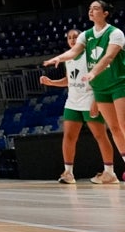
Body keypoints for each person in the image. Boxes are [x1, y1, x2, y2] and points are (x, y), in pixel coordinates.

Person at [44, 0, 125, 184]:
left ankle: (109, 170)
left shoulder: (116, 33)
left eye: (95, 8)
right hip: (99, 88)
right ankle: (77, 172)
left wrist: (94, 72)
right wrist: (58, 58)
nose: (91, 11)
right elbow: (73, 53)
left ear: (105, 13)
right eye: (89, 8)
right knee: (113, 128)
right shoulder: (86, 35)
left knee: (121, 126)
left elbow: (109, 56)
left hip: (118, 83)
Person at [39, 28, 115, 184]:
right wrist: (52, 82)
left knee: (100, 136)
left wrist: (96, 101)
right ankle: (68, 173)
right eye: (69, 37)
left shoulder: (91, 56)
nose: (73, 40)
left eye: (76, 37)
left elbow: (100, 78)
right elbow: (69, 80)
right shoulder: (68, 58)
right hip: (72, 102)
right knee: (69, 137)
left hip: (90, 98)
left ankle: (109, 172)